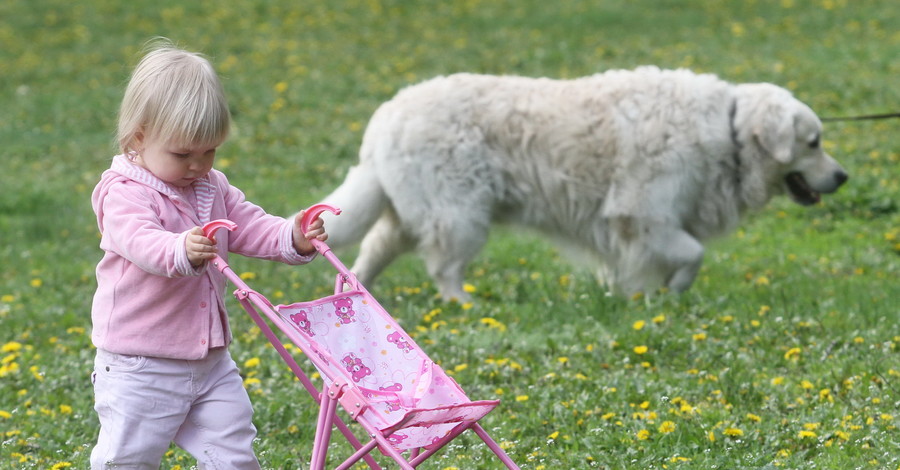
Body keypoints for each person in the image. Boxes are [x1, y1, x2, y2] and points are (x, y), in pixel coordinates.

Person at [88, 39, 326, 469]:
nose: (198, 166)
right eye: (183, 154)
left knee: (233, 452)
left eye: (209, 151)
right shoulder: (124, 194)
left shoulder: (211, 185)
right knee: (127, 459)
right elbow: (142, 242)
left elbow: (249, 224)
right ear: (139, 137)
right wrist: (180, 248)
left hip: (211, 362)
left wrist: (292, 236)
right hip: (143, 366)